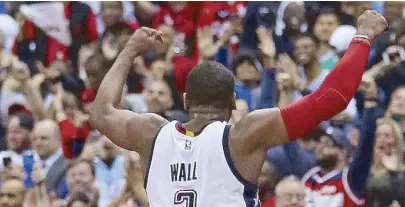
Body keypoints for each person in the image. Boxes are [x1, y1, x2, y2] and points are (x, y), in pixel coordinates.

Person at [90, 11, 388, 206]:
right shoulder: (243, 136)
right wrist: (362, 37)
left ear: (185, 102)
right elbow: (332, 98)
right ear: (233, 101)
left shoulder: (150, 133)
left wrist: (129, 51)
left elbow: (101, 112)